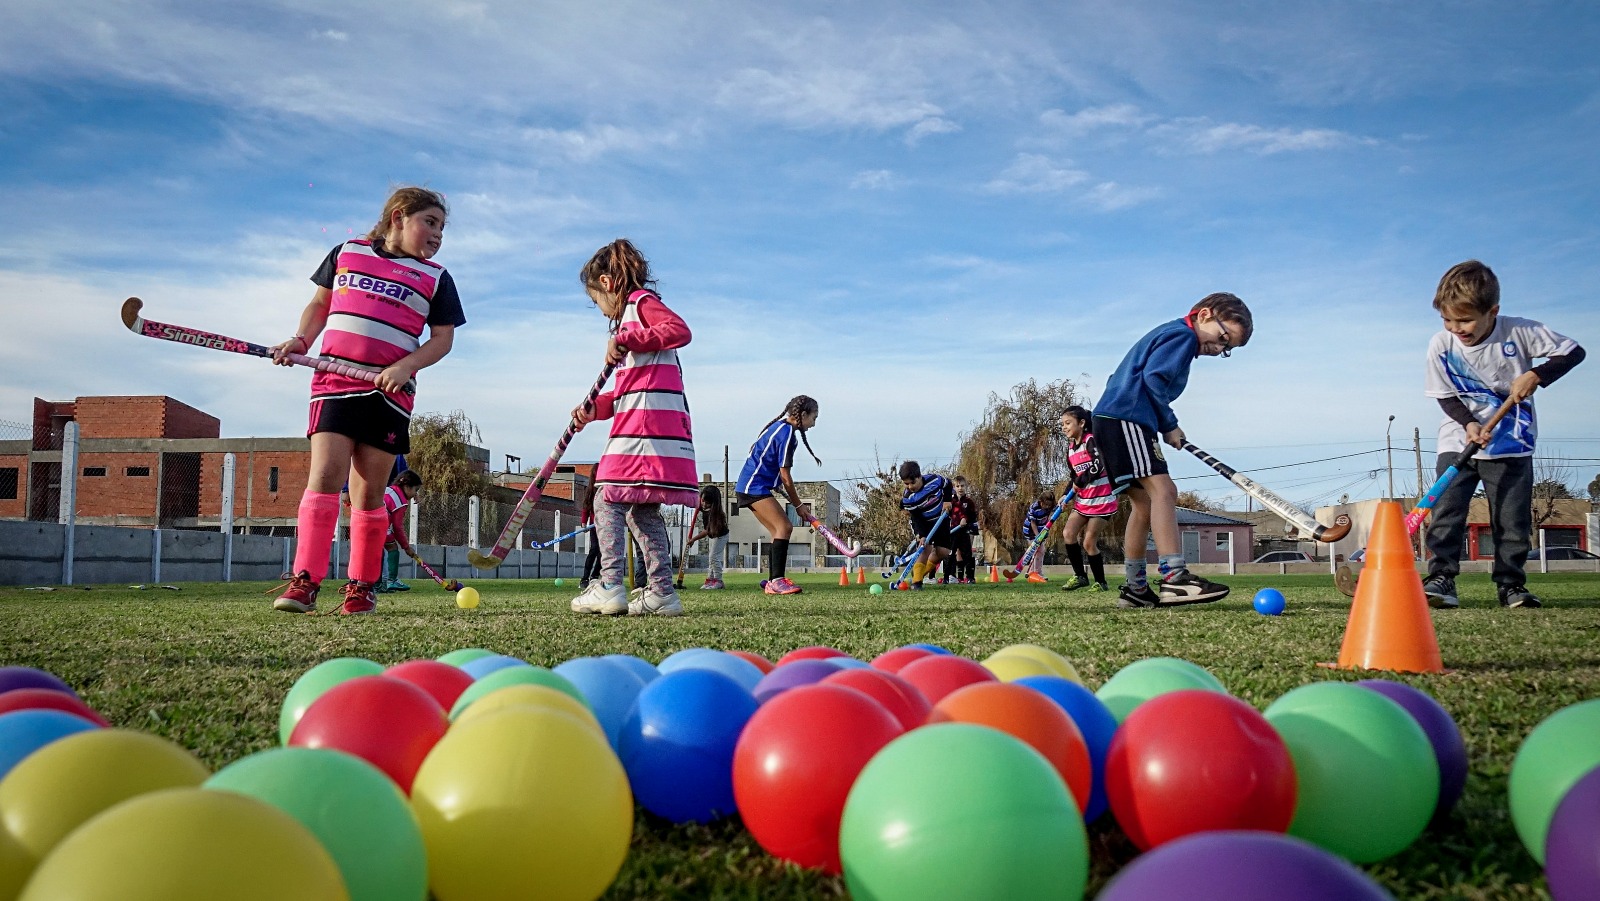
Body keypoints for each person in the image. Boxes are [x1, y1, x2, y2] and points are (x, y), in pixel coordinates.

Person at [271, 187, 463, 616]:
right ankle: (305, 581)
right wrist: (301, 340)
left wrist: (406, 367)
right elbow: (321, 304)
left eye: (442, 228)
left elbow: (444, 339)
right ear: (398, 216)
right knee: (324, 473)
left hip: (389, 394)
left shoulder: (436, 278)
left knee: (368, 492)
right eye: (429, 223)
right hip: (335, 381)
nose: (437, 235)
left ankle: (362, 586)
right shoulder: (347, 252)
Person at [1421, 260, 1585, 610]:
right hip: (1458, 441)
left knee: (1511, 520)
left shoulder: (1519, 332)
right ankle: (1441, 579)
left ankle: (1511, 585)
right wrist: (1468, 423)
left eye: (1464, 320)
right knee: (1447, 513)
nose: (1456, 328)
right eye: (1448, 320)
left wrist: (1537, 375)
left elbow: (1574, 351)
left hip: (1512, 442)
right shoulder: (1441, 344)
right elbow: (1445, 395)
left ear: (1492, 311)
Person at [1093, 292, 1250, 609]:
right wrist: (1168, 424)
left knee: (1144, 505)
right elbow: (1153, 381)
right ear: (1204, 315)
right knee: (1164, 491)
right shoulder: (1182, 335)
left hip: (1114, 418)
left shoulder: (1170, 334)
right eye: (1222, 338)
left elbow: (1123, 376)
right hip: (1128, 418)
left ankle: (1136, 588)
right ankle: (1175, 579)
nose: (1219, 348)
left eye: (1227, 349)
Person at [566, 239, 697, 617]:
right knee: (642, 512)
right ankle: (662, 593)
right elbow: (627, 391)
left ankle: (609, 584)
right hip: (652, 426)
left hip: (646, 430)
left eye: (596, 300)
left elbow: (680, 329)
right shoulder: (630, 325)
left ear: (607, 283)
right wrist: (596, 408)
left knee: (606, 495)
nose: (599, 308)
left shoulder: (640, 305)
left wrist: (627, 337)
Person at [734, 396, 823, 596]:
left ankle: (773, 580)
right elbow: (785, 476)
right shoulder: (787, 434)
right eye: (814, 418)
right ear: (803, 415)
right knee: (785, 526)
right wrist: (799, 505)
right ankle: (776, 581)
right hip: (753, 487)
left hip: (749, 486)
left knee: (778, 531)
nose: (814, 424)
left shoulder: (778, 428)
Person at [1059, 405, 1115, 592]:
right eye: (1062, 424)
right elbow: (1074, 476)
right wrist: (1065, 495)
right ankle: (1080, 576)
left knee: (1089, 542)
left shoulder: (1090, 440)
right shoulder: (1070, 450)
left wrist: (1081, 481)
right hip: (1083, 501)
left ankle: (1101, 582)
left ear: (1082, 423)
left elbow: (1098, 464)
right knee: (1068, 534)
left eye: (1068, 423)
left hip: (1102, 501)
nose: (1064, 427)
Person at [898, 460, 953, 589]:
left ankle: (920, 572)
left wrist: (947, 501)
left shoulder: (935, 480)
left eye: (913, 482)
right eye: (906, 484)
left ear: (919, 476)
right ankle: (917, 582)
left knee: (943, 552)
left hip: (941, 518)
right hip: (923, 522)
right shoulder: (908, 498)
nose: (910, 486)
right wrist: (921, 535)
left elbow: (948, 484)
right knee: (925, 548)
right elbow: (916, 518)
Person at [377, 470, 422, 592]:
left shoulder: (389, 489)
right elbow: (397, 527)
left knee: (377, 552)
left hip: (368, 521)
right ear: (407, 486)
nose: (415, 494)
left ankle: (377, 585)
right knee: (392, 548)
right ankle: (392, 580)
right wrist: (406, 547)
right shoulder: (401, 501)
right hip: (381, 524)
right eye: (415, 490)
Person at [685, 485, 731, 589]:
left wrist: (693, 539)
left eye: (708, 503)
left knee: (713, 557)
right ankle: (710, 579)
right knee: (711, 559)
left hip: (721, 537)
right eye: (703, 501)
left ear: (714, 503)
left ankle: (718, 581)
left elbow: (706, 531)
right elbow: (693, 502)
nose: (704, 504)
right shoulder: (702, 506)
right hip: (713, 536)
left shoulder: (715, 515)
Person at [943, 475, 981, 583]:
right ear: (954, 487)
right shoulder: (950, 501)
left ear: (966, 487)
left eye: (962, 486)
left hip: (964, 532)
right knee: (950, 554)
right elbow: (946, 515)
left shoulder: (969, 502)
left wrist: (966, 520)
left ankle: (970, 577)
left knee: (967, 555)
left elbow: (973, 517)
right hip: (953, 532)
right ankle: (947, 577)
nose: (960, 488)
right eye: (958, 486)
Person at [1020, 490, 1055, 583]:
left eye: (1049, 505)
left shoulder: (1050, 506)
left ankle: (1035, 572)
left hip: (1041, 531)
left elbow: (1056, 511)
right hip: (1031, 531)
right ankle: (1035, 572)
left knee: (1041, 550)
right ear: (1041, 501)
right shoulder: (1034, 507)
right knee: (1037, 550)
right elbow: (1033, 523)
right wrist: (1037, 537)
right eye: (1045, 505)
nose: (1047, 507)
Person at [578, 481, 601, 588]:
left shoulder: (607, 488)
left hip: (607, 526)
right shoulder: (591, 491)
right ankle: (584, 578)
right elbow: (586, 507)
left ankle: (594, 577)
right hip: (594, 526)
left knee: (603, 553)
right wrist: (584, 522)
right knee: (594, 549)